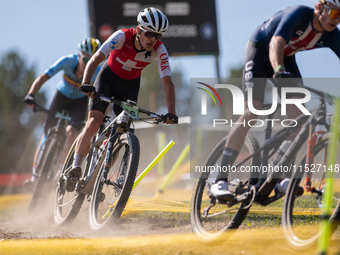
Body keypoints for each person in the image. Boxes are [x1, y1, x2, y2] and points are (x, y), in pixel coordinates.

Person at [210, 0, 340, 201]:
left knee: (299, 118)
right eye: (334, 14)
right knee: (252, 111)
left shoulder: (332, 35)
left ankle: (279, 175)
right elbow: (276, 42)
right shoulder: (298, 14)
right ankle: (219, 179)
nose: (337, 20)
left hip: (287, 58)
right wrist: (278, 70)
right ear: (320, 7)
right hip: (262, 49)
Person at [66, 7, 178, 192]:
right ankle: (75, 167)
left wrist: (171, 112)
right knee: (94, 121)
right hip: (107, 79)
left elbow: (167, 83)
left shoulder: (160, 50)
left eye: (157, 36)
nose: (153, 39)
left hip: (130, 86)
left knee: (121, 130)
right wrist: (86, 82)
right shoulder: (122, 36)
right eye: (149, 33)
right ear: (139, 29)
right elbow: (95, 58)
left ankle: (103, 163)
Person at [23, 37, 102, 189]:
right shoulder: (67, 61)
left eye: (92, 60)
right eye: (85, 58)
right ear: (79, 55)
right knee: (46, 136)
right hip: (60, 98)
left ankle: (60, 173)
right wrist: (31, 94)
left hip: (79, 103)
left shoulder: (96, 71)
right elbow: (44, 77)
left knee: (72, 133)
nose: (87, 63)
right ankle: (34, 177)